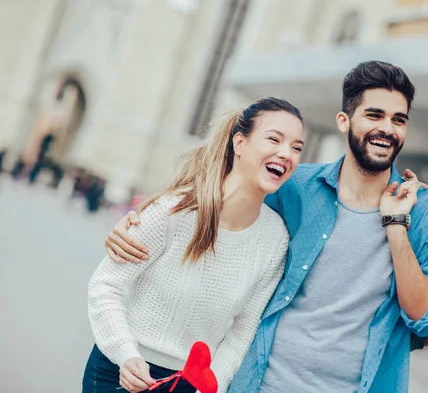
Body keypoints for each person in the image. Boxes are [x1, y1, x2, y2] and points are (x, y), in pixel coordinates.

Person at [103, 61, 428, 393]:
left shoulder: (427, 213)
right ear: (344, 121)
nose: (387, 129)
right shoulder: (294, 185)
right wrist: (142, 218)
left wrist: (396, 225)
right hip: (257, 381)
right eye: (374, 115)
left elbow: (427, 319)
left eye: (399, 120)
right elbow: (220, 202)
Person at [83, 97, 305, 393]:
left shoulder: (276, 239)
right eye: (274, 139)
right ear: (240, 143)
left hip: (190, 385)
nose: (286, 153)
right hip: (120, 373)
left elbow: (242, 331)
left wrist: (210, 386)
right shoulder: (174, 212)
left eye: (296, 147)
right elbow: (105, 286)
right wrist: (126, 355)